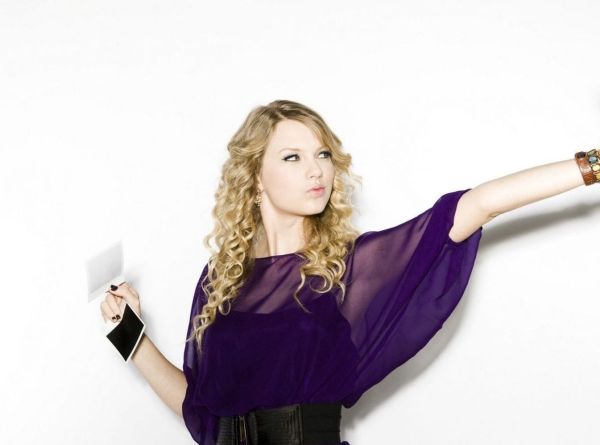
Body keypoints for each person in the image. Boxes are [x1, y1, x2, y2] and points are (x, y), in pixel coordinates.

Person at [100, 99, 597, 445]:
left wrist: (593, 164)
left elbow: (478, 205)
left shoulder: (347, 267)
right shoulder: (221, 278)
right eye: (293, 157)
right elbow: (200, 414)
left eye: (322, 155)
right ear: (255, 178)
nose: (316, 169)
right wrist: (130, 336)